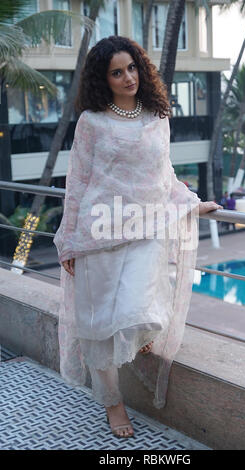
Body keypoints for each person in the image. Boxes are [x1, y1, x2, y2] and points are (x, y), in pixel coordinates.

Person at [53, 35, 222, 439]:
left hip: (146, 226)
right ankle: (113, 404)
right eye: (117, 72)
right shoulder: (92, 122)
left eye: (132, 68)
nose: (127, 77)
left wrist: (191, 202)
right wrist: (70, 239)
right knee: (97, 326)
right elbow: (77, 181)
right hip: (98, 231)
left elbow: (163, 174)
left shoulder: (156, 116)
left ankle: (143, 337)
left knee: (145, 311)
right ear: (103, 79)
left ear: (141, 69)